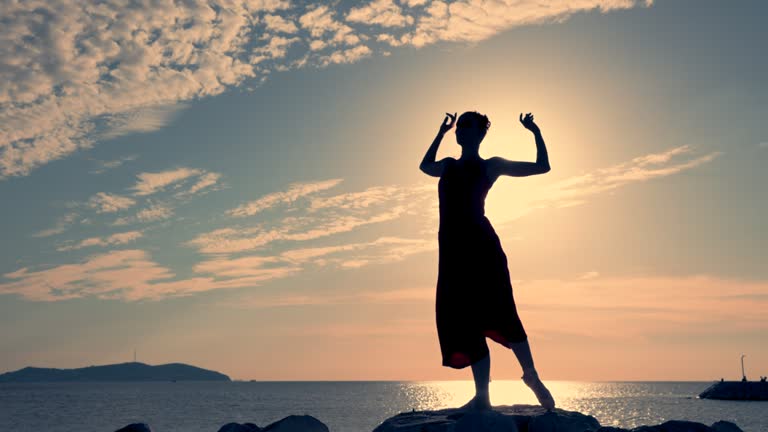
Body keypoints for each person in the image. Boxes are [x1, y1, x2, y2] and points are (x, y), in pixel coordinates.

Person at [419, 110, 555, 411]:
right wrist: (440, 133)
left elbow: (542, 167)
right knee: (463, 321)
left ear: (480, 134)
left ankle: (531, 375)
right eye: (460, 128)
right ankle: (483, 396)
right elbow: (424, 166)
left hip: (482, 248)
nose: (462, 131)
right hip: (453, 253)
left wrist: (535, 131)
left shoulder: (490, 166)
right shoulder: (448, 166)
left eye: (468, 127)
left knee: (502, 310)